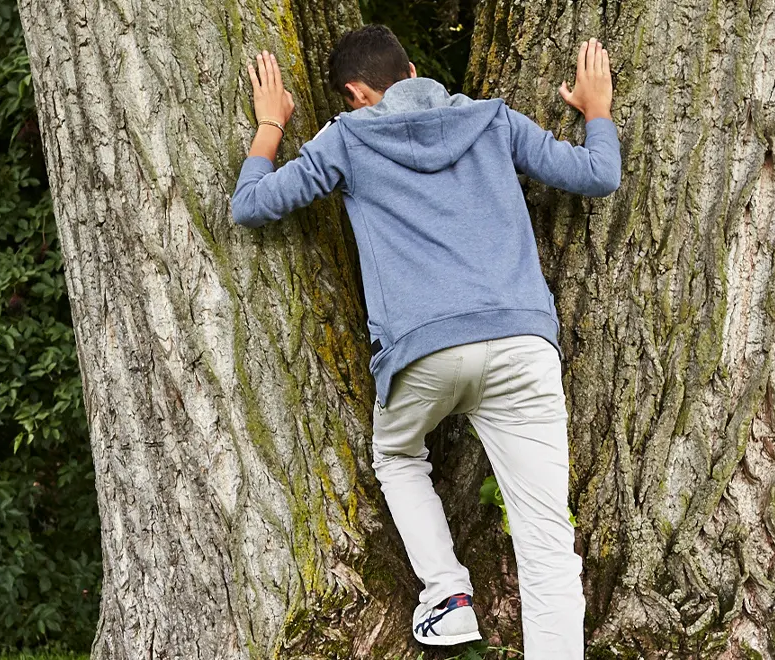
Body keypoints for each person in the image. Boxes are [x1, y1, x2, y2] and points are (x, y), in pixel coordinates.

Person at [228, 24, 618, 658]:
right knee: (546, 543)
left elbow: (250, 206)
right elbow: (599, 173)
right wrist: (596, 113)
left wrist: (270, 125)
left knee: (399, 457)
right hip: (521, 343)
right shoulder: (493, 120)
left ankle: (448, 595)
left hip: (422, 353)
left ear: (357, 93)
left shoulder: (347, 139)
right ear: (411, 72)